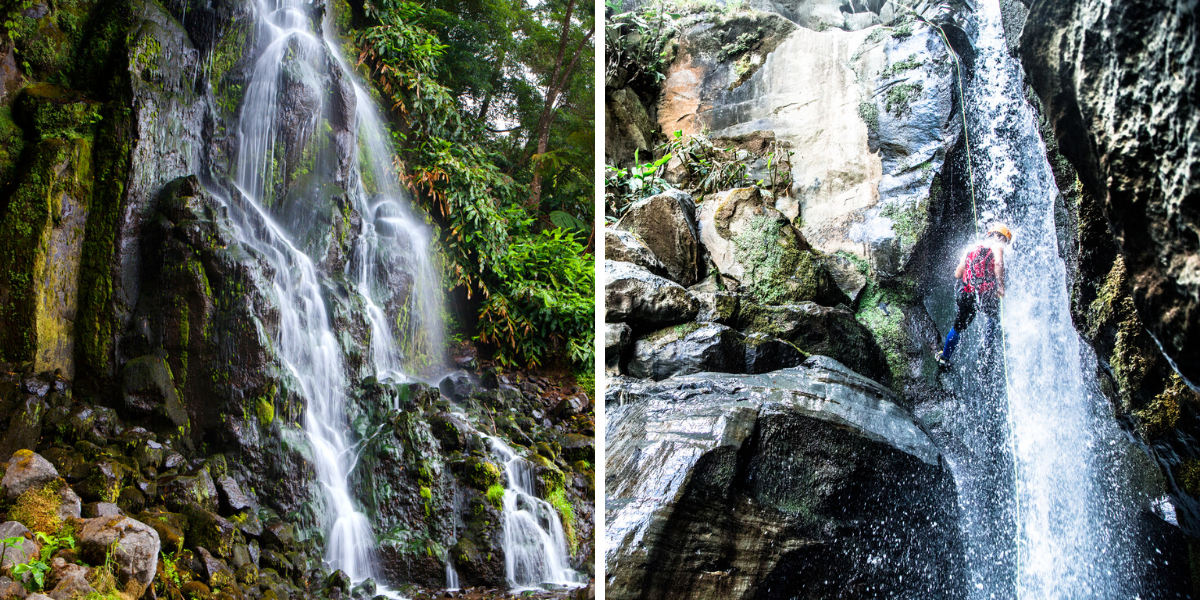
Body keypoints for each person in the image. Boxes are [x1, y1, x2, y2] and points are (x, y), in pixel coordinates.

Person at [936, 223, 1013, 370]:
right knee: (994, 319)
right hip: (985, 295)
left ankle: (944, 358)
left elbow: (957, 274)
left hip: (967, 293)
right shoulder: (997, 246)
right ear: (1002, 238)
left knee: (958, 326)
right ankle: (987, 352)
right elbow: (998, 262)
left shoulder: (971, 248)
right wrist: (1001, 286)